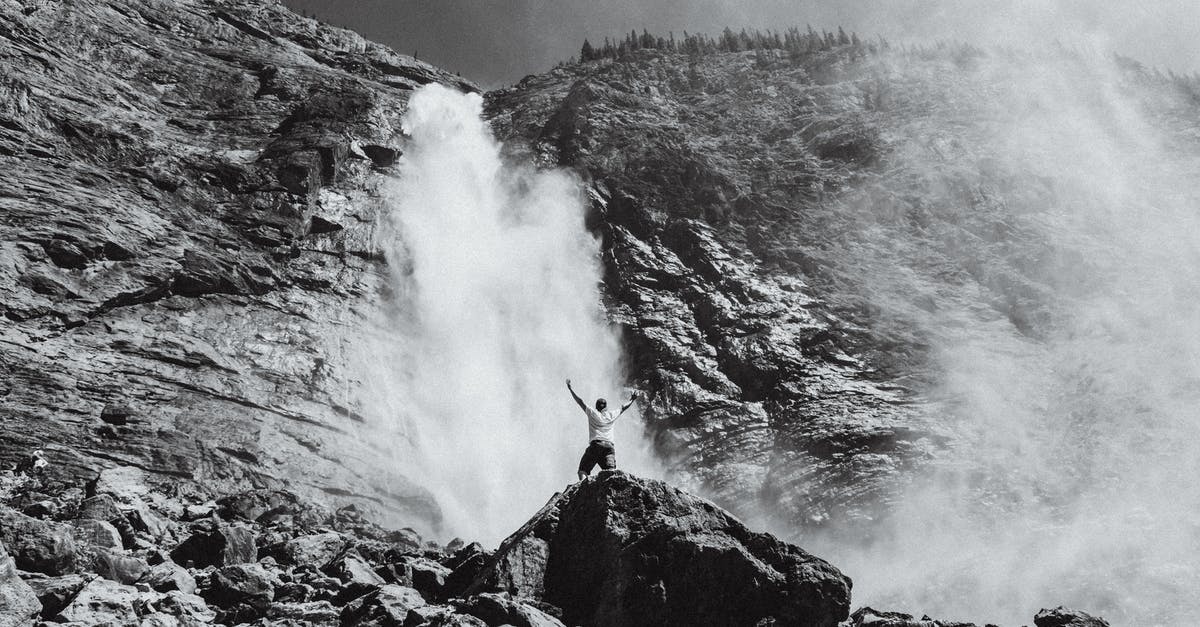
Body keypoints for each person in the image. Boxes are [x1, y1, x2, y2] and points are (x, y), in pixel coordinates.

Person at [566, 378, 639, 481]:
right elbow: (623, 407)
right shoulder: (611, 415)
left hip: (596, 445)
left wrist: (570, 389)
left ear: (597, 407)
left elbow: (580, 402)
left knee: (583, 470)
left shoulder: (593, 413)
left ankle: (582, 489)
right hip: (609, 447)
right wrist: (632, 399)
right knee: (611, 473)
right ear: (606, 407)